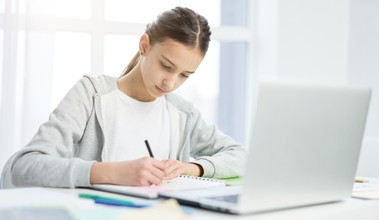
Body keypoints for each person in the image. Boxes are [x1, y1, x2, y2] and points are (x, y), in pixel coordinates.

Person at [1, 7, 247, 189]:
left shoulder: (183, 114)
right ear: (144, 45)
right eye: (166, 66)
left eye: (184, 75)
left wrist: (193, 168)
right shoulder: (91, 95)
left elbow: (241, 156)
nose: (170, 83)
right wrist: (109, 172)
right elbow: (24, 166)